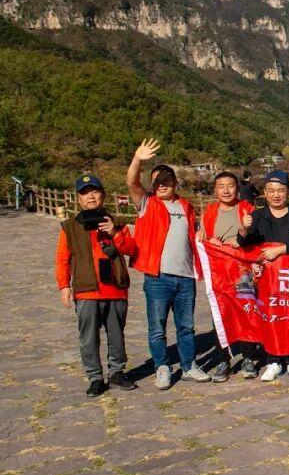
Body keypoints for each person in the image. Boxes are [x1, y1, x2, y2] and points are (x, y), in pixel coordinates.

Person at [126, 139, 212, 390]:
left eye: (166, 180)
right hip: (158, 277)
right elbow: (131, 182)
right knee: (157, 328)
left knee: (187, 327)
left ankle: (189, 366)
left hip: (185, 277)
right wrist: (137, 159)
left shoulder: (186, 207)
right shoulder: (147, 203)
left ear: (175, 183)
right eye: (156, 182)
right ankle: (162, 367)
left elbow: (193, 236)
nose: (161, 185)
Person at [55, 174, 138, 396]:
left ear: (103, 194)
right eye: (85, 193)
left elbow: (131, 250)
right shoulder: (69, 227)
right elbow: (62, 259)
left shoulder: (117, 223)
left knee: (117, 335)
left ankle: (117, 372)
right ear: (78, 199)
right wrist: (64, 286)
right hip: (87, 291)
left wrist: (114, 233)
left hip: (115, 289)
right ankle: (95, 377)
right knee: (88, 337)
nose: (90, 196)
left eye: (94, 191)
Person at [236, 170, 289, 381]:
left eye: (280, 190)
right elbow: (244, 243)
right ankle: (273, 360)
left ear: (288, 191)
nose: (276, 195)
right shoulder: (257, 216)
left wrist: (279, 250)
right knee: (270, 318)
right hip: (266, 279)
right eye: (271, 190)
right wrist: (244, 229)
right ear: (264, 192)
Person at [198, 171, 256, 381]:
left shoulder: (247, 208)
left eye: (230, 185)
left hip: (242, 271)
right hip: (219, 272)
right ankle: (223, 359)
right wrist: (206, 239)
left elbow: (255, 238)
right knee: (220, 315)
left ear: (237, 188)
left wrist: (242, 237)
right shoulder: (209, 211)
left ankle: (248, 357)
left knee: (247, 312)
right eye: (221, 186)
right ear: (215, 190)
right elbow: (202, 237)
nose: (226, 190)